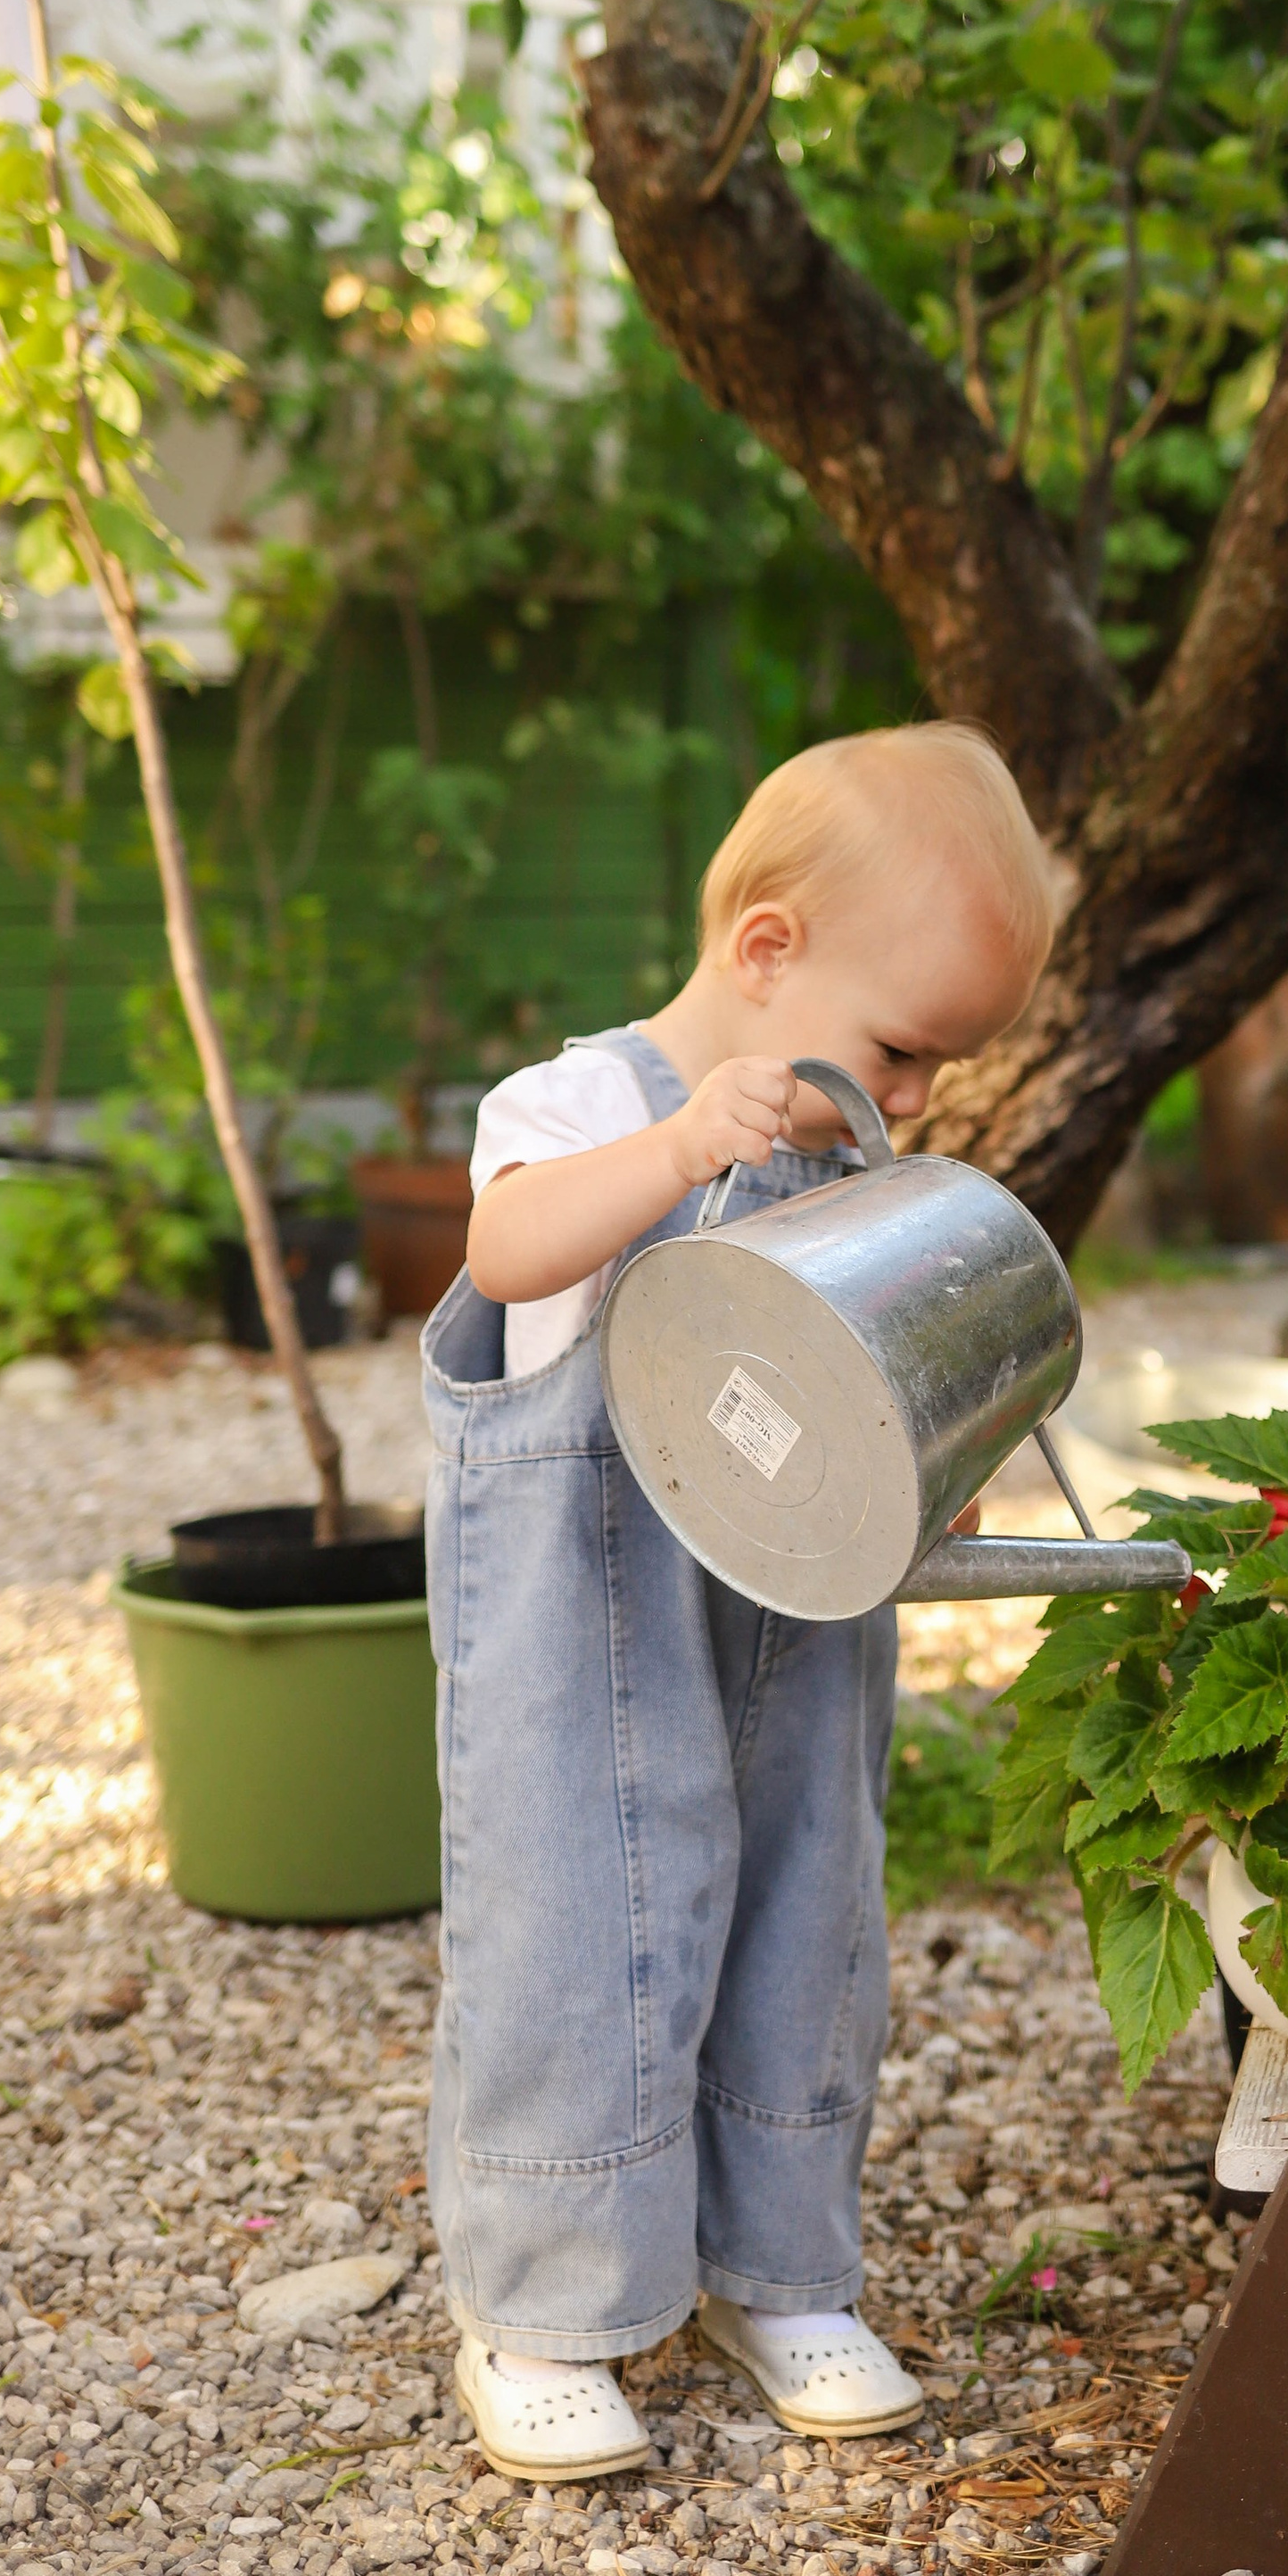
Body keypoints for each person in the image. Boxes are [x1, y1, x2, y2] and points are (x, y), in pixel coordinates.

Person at [422, 721, 1057, 2481]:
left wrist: (937, 1443)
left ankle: (774, 2269)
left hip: (791, 1644)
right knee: (574, 1936)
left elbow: (876, 1379)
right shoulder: (581, 1108)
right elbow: (506, 1253)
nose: (916, 1098)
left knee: (804, 1920)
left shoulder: (849, 1169)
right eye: (903, 1048)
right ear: (767, 949)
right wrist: (681, 1146)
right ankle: (544, 2303)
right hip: (585, 1632)